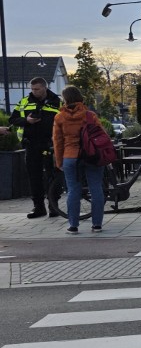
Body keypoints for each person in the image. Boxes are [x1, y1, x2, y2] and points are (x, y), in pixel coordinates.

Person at [52, 86, 106, 234]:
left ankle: (73, 226)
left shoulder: (59, 117)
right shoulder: (90, 115)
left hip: (71, 157)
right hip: (92, 156)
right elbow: (102, 135)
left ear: (66, 99)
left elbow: (57, 141)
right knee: (96, 189)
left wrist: (59, 161)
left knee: (73, 190)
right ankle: (97, 225)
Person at [8, 77, 62, 219]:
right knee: (34, 176)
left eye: (37, 89)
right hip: (31, 143)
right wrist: (27, 120)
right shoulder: (24, 102)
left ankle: (53, 206)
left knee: (53, 175)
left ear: (45, 87)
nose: (34, 91)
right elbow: (12, 120)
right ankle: (38, 207)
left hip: (51, 144)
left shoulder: (57, 102)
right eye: (32, 89)